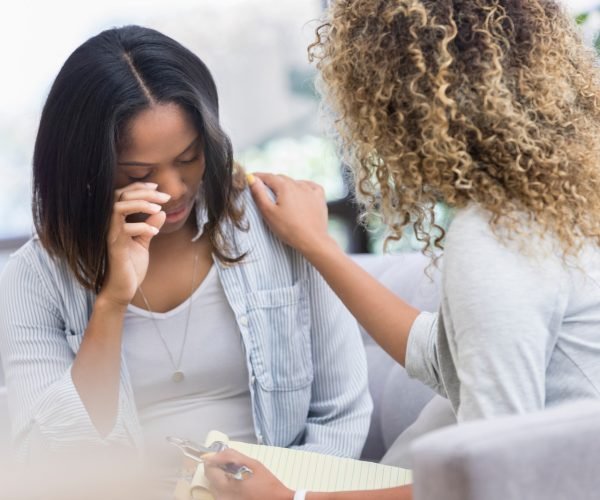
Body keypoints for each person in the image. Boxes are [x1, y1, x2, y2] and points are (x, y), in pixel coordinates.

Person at [204, 1, 600, 499]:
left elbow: (493, 480)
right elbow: (446, 360)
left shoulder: (494, 243)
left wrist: (291, 499)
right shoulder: (555, 210)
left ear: (399, 106)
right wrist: (317, 246)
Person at [0, 25, 372, 486]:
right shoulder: (32, 280)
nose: (175, 190)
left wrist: (288, 495)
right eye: (139, 172)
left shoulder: (275, 226)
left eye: (189, 158)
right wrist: (112, 301)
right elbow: (53, 463)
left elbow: (341, 412)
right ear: (86, 168)